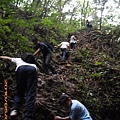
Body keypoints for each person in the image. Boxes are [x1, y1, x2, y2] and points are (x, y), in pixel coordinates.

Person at [0, 54, 38, 120]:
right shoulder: (34, 64)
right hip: (32, 70)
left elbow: (8, 58)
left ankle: (15, 109)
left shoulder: (19, 59)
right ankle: (28, 117)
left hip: (21, 69)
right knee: (30, 92)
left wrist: (1, 57)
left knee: (20, 91)